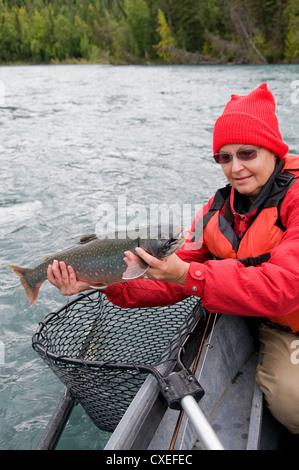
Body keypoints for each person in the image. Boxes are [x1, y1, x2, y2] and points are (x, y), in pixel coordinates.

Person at [47, 83, 299, 437]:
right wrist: (103, 281)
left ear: (273, 150)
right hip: (276, 328)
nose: (235, 168)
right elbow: (169, 278)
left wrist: (188, 274)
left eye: (247, 153)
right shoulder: (217, 211)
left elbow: (287, 287)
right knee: (293, 401)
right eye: (224, 158)